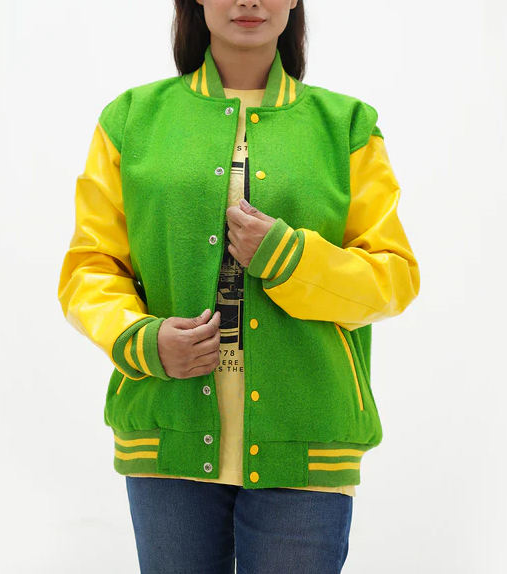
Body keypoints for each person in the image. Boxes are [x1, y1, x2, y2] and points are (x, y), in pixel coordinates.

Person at [57, 0, 420, 571]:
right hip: (167, 435)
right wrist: (143, 341)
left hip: (306, 441)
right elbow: (90, 267)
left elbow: (392, 277)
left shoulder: (346, 125)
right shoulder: (131, 119)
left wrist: (288, 258)